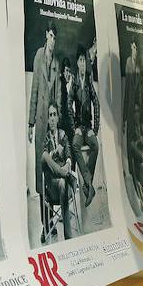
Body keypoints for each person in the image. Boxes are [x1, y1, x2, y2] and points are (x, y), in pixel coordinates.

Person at [27, 21, 62, 229]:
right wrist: (30, 123)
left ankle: (52, 217)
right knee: (41, 170)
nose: (52, 41)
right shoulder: (39, 56)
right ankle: (44, 221)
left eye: (55, 38)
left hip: (51, 123)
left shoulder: (56, 62)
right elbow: (33, 91)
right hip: (40, 124)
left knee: (51, 168)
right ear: (45, 36)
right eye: (50, 36)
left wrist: (56, 125)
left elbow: (56, 96)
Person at [39, 103, 80, 242]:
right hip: (51, 187)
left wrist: (68, 163)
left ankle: (68, 237)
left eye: (54, 115)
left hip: (63, 187)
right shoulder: (45, 138)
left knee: (63, 182)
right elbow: (44, 162)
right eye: (50, 115)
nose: (52, 118)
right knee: (44, 156)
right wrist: (54, 153)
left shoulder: (63, 135)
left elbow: (69, 156)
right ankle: (67, 176)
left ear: (57, 118)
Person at [70, 49, 100, 207]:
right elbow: (69, 104)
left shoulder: (88, 80)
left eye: (84, 61)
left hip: (87, 127)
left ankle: (87, 184)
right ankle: (90, 186)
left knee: (96, 146)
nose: (82, 64)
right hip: (79, 128)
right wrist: (75, 126)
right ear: (77, 63)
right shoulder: (74, 81)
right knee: (75, 145)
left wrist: (94, 129)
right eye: (80, 61)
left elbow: (96, 102)